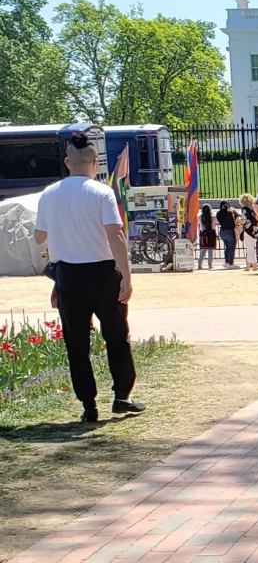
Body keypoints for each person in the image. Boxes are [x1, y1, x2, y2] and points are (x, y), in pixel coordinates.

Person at [33, 133, 145, 422]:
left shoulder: (49, 193)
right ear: (95, 163)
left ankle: (88, 405)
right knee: (117, 335)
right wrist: (126, 276)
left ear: (67, 162)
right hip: (102, 272)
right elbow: (115, 235)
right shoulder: (101, 192)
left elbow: (40, 238)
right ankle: (122, 395)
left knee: (76, 342)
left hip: (68, 274)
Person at [239, 193, 258, 272]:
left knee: (250, 249)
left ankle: (254, 265)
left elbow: (243, 220)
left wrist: (239, 222)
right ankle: (248, 266)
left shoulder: (244, 209)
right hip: (255, 229)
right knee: (251, 248)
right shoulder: (254, 208)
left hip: (248, 230)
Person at [216, 200, 239, 269]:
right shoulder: (230, 212)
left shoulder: (218, 213)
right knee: (231, 248)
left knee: (227, 248)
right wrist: (233, 210)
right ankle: (230, 263)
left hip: (222, 231)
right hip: (230, 231)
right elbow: (237, 216)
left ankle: (226, 262)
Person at [197, 204, 216, 270]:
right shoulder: (213, 217)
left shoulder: (200, 217)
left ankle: (200, 264)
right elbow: (215, 223)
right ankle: (210, 265)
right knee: (210, 250)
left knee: (203, 250)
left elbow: (199, 224)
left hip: (203, 234)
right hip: (211, 234)